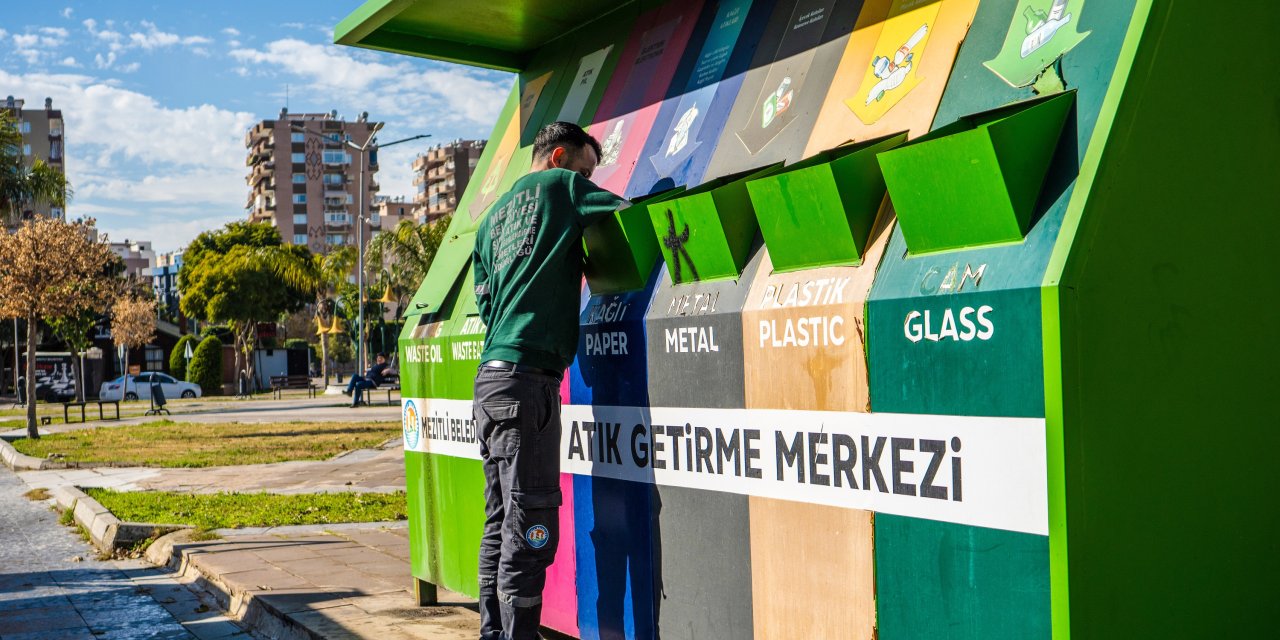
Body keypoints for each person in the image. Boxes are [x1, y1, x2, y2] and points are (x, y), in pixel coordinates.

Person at [471, 121, 627, 640]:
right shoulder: (562, 188)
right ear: (559, 156)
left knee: (499, 519)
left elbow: (487, 302)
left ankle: (492, 633)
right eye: (585, 168)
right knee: (531, 523)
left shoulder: (490, 220)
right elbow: (627, 217)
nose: (586, 178)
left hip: (490, 381)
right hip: (528, 383)